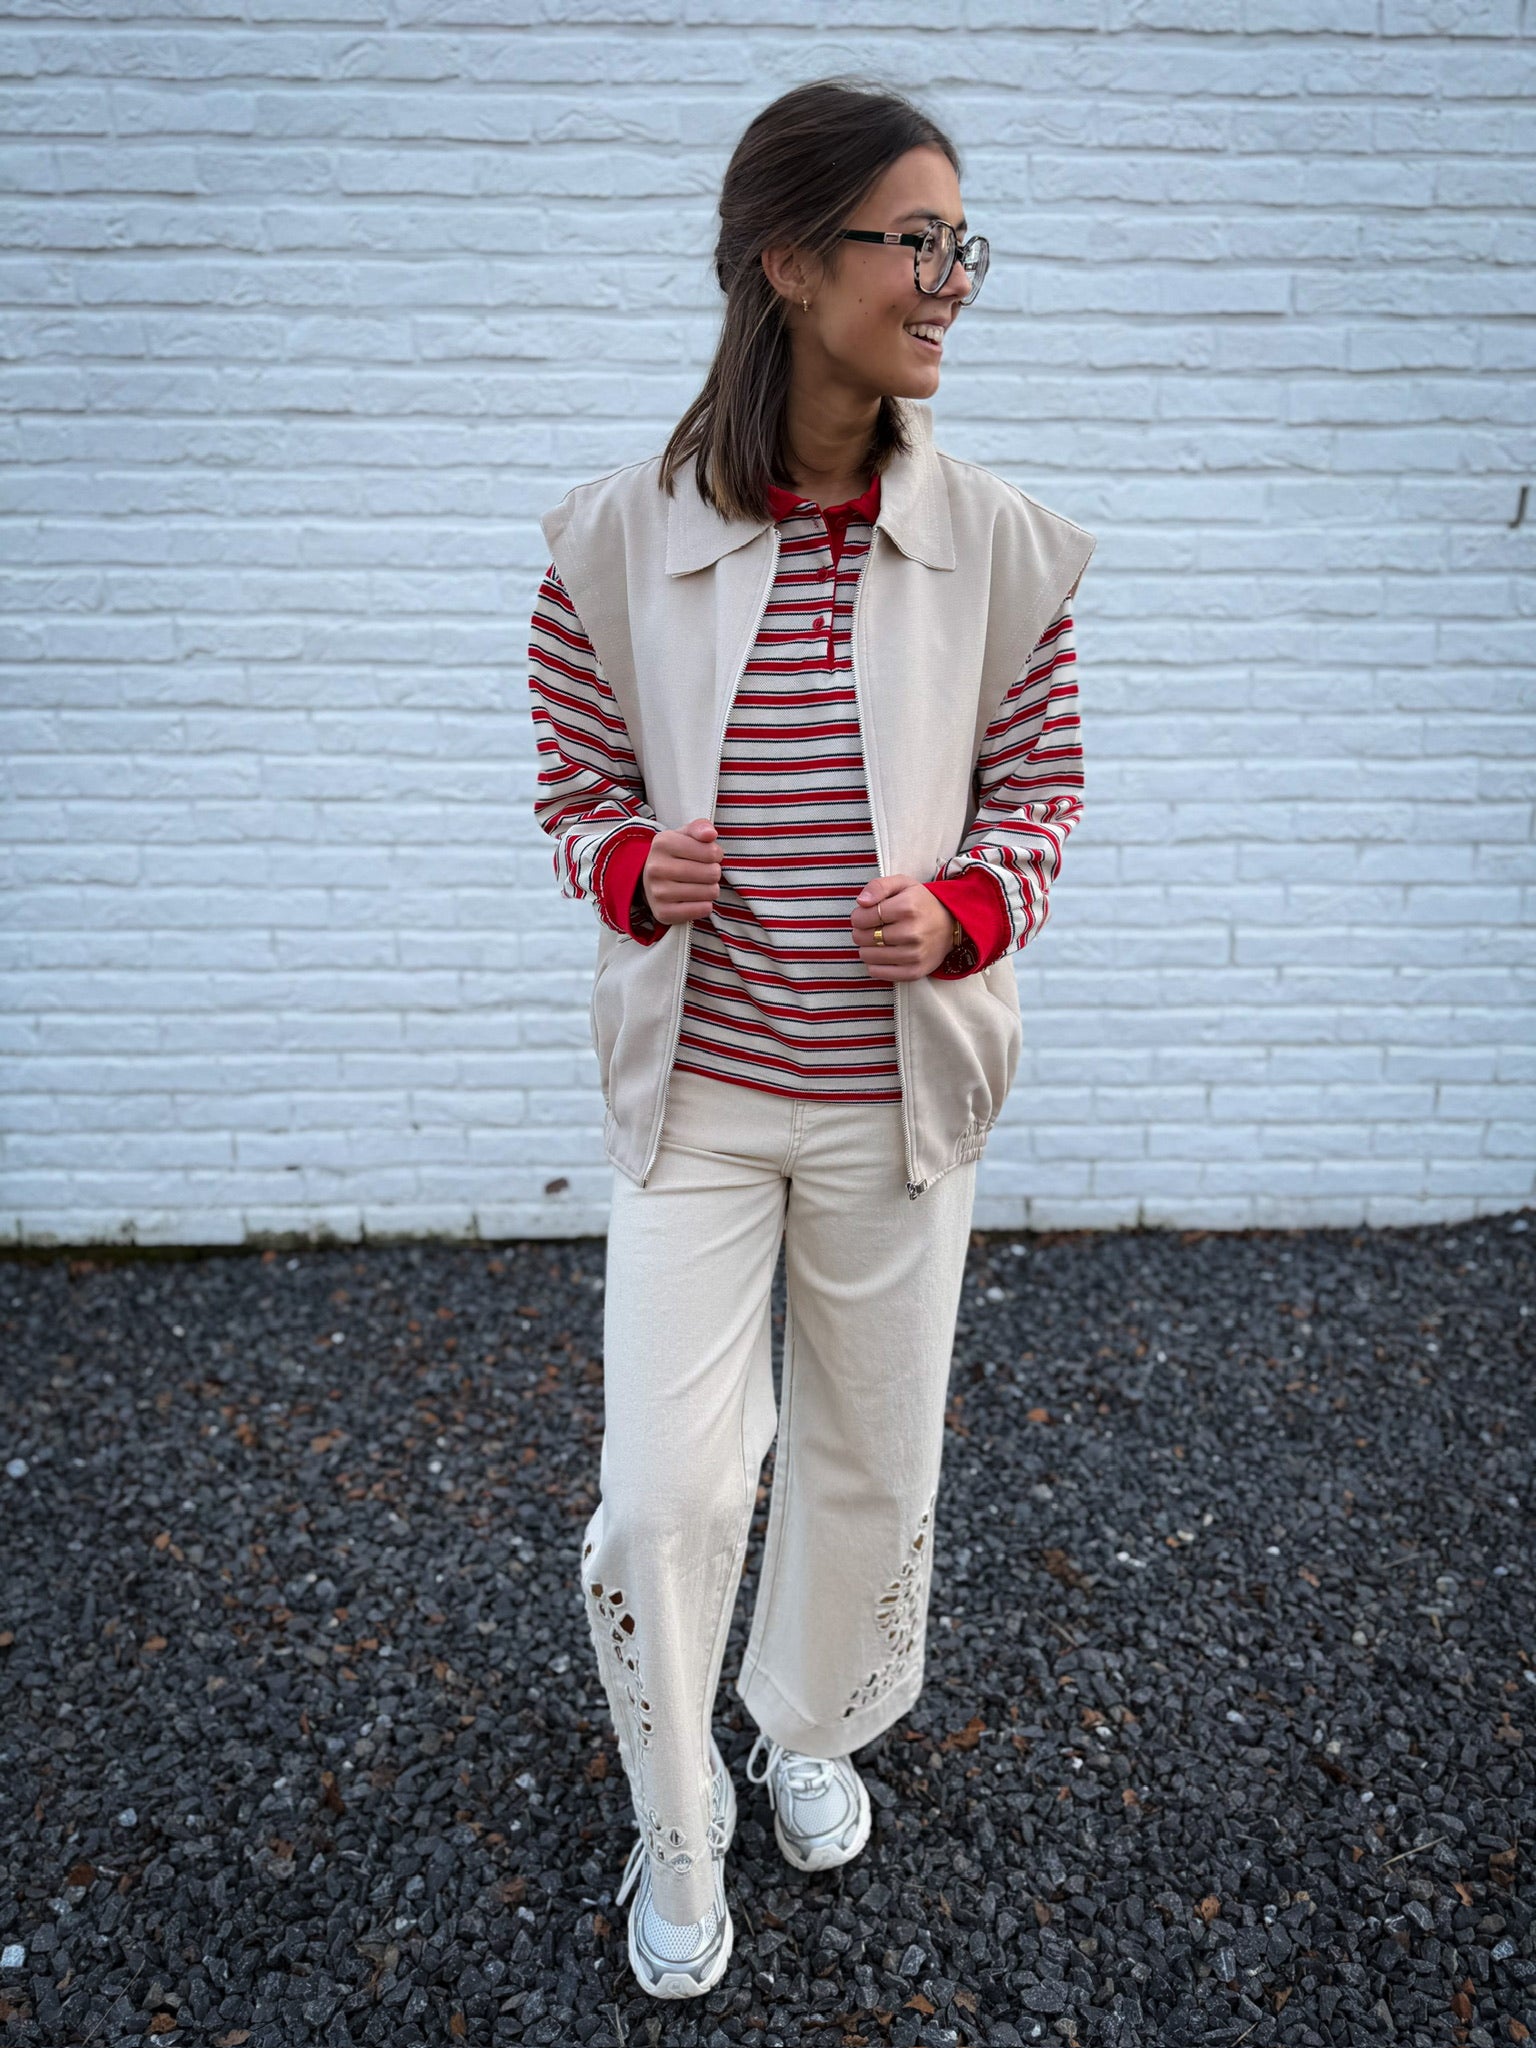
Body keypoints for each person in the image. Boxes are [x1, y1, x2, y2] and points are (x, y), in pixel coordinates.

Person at [527, 76, 1096, 2002]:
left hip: (893, 1107)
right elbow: (573, 785)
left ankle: (806, 1723)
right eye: (913, 241)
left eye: (960, 243)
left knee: (866, 1461)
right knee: (665, 1492)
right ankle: (674, 1809)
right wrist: (632, 867)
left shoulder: (1002, 547)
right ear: (786, 262)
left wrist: (965, 909)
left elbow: (1044, 795)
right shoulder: (611, 540)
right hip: (698, 1101)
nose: (950, 280)